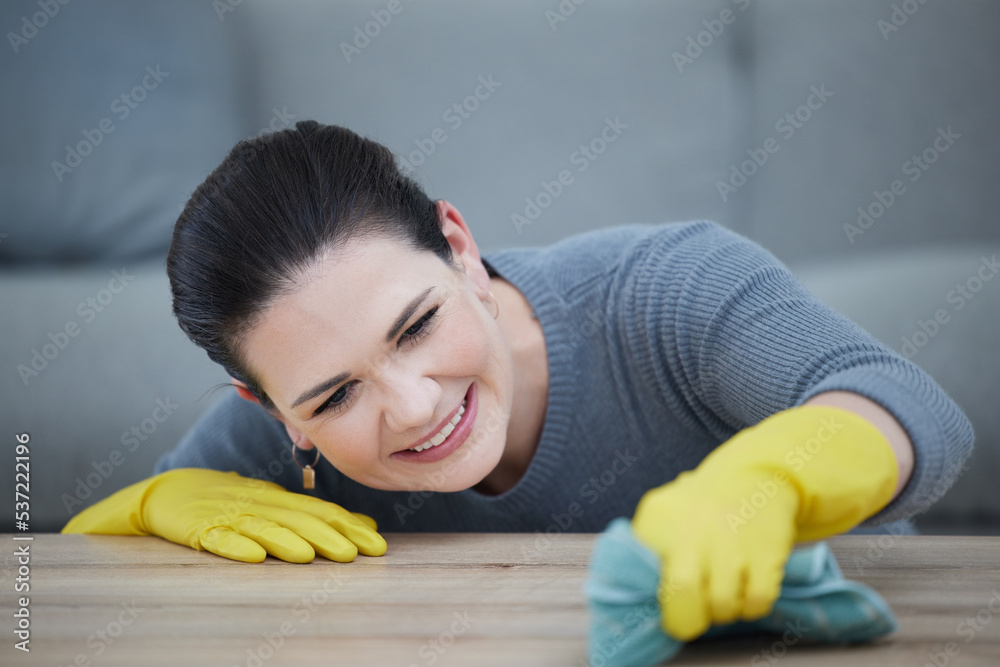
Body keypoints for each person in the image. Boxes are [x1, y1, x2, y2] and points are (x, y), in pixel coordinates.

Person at [64, 120, 974, 642]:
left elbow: (910, 404)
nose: (414, 405)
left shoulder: (666, 289)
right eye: (335, 397)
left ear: (458, 246)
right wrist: (144, 507)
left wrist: (772, 477)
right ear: (271, 412)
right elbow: (55, 607)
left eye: (417, 325)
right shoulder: (274, 443)